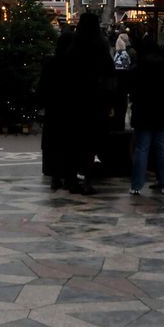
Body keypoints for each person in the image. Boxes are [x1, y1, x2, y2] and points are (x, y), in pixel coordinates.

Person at [65, 12, 115, 194]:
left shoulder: (74, 45)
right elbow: (110, 73)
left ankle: (72, 179)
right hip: (96, 100)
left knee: (75, 141)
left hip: (76, 100)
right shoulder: (100, 45)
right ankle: (87, 179)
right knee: (92, 142)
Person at [129, 43, 164, 196]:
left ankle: (136, 185)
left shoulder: (138, 69)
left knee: (141, 149)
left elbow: (128, 86)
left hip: (142, 113)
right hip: (163, 114)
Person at [39, 30, 79, 190]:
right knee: (70, 143)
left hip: (54, 109)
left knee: (54, 143)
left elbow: (43, 85)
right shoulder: (75, 62)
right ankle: (70, 176)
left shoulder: (51, 62)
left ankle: (56, 176)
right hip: (71, 108)